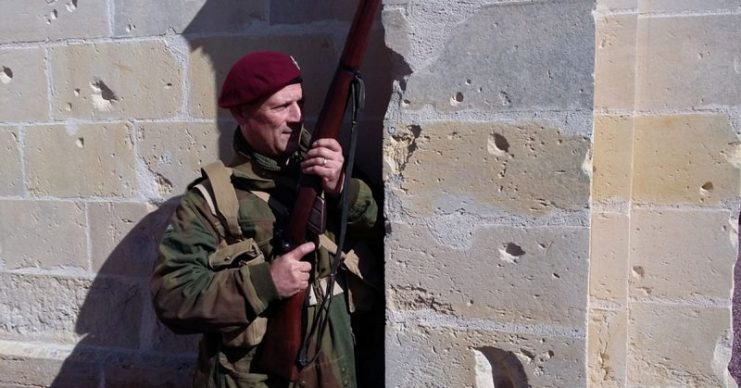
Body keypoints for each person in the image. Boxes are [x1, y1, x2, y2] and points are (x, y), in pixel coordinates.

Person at [150, 51, 379, 387]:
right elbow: (171, 297)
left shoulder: (325, 168)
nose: (298, 116)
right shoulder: (212, 200)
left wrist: (342, 186)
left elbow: (389, 232)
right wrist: (265, 282)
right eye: (281, 107)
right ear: (242, 114)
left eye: (299, 102)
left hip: (339, 371)